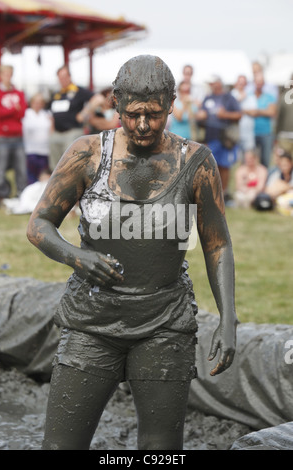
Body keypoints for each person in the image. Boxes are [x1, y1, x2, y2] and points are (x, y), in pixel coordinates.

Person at [27, 55, 238, 451]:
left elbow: (218, 243)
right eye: (134, 114)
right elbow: (38, 224)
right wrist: (76, 256)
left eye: (154, 114)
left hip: (164, 322)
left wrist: (229, 318)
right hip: (92, 320)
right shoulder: (87, 154)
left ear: (172, 104)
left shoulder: (195, 162)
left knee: (160, 450)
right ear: (116, 103)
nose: (143, 125)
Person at [196, 74, 241, 197]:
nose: (211, 85)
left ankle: (224, 193)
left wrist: (225, 114)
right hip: (210, 138)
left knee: (224, 165)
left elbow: (238, 115)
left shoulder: (228, 97)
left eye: (213, 83)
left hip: (225, 138)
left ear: (219, 83)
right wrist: (201, 116)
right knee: (210, 166)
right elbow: (201, 117)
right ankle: (212, 193)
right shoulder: (208, 97)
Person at [48, 64, 93, 170]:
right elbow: (51, 113)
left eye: (64, 76)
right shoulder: (57, 94)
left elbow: (97, 99)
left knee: (71, 164)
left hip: (72, 132)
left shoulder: (79, 91)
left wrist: (84, 113)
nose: (62, 79)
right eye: (60, 77)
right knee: (55, 166)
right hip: (57, 134)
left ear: (69, 76)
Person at [0, 64, 27, 202]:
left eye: (10, 73)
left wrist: (12, 111)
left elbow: (23, 112)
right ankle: (2, 196)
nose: (8, 76)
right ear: (0, 75)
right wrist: (14, 109)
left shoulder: (19, 93)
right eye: (5, 74)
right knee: (0, 169)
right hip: (2, 137)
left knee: (21, 169)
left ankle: (22, 195)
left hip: (18, 137)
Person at [244, 73, 277, 168]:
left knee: (265, 160)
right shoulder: (248, 96)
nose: (259, 84)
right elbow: (243, 110)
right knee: (250, 160)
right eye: (257, 82)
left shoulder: (269, 97)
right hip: (250, 133)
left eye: (261, 82)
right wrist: (263, 111)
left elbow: (272, 112)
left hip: (265, 133)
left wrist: (256, 111)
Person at [22, 92, 52, 184]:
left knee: (43, 175)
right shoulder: (26, 114)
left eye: (40, 102)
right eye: (36, 102)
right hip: (31, 150)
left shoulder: (47, 114)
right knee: (31, 176)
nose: (38, 105)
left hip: (45, 151)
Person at [231, 75, 257, 153]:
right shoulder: (232, 94)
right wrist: (239, 100)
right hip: (235, 131)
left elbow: (254, 112)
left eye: (243, 83)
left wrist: (239, 109)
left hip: (248, 132)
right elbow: (230, 110)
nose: (241, 85)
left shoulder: (251, 95)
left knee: (248, 156)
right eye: (240, 82)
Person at [275, 74, 293, 157]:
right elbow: (279, 117)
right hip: (285, 136)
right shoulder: (285, 97)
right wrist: (276, 134)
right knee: (285, 163)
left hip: (285, 136)